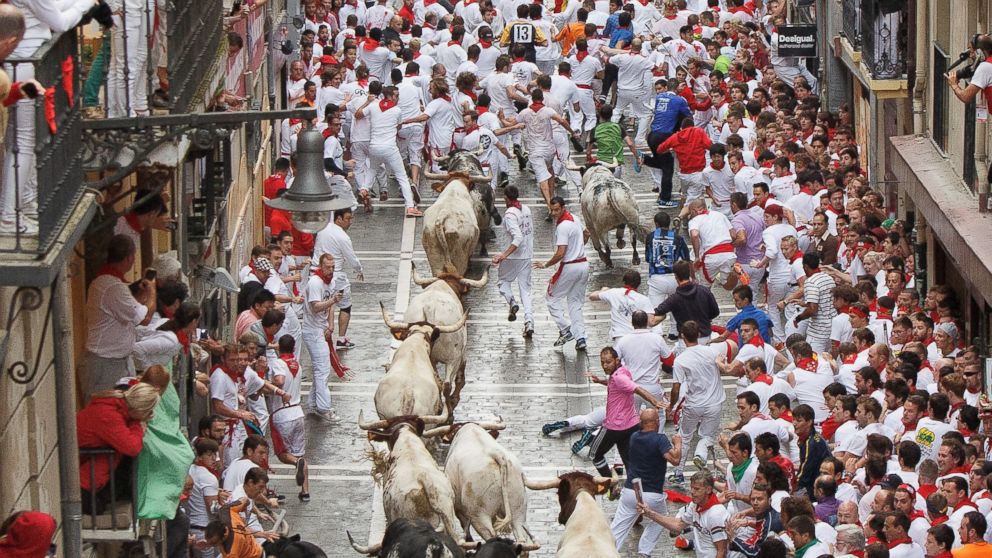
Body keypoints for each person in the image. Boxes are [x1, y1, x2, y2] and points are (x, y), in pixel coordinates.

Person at [83, 235, 156, 400]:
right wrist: (152, 291)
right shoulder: (113, 287)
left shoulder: (108, 283)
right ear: (130, 257)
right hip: (105, 363)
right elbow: (144, 318)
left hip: (116, 361)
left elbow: (130, 313)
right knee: (103, 411)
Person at [77, 382, 161, 514]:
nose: (151, 414)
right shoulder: (109, 415)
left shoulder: (114, 405)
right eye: (149, 411)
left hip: (85, 468)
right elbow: (132, 447)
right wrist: (137, 424)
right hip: (83, 478)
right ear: (141, 410)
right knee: (96, 508)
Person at [610, 408, 682, 555]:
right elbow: (675, 460)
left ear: (641, 423)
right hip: (652, 495)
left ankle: (606, 552)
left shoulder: (634, 437)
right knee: (660, 518)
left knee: (618, 528)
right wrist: (678, 443)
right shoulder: (660, 439)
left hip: (631, 491)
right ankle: (644, 550)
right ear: (656, 422)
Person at [586, 346, 665, 479]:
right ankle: (636, 491)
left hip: (613, 427)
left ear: (617, 360)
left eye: (608, 362)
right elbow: (617, 384)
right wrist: (601, 381)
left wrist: (654, 401)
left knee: (594, 455)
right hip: (630, 426)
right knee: (629, 463)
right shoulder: (622, 372)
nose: (605, 366)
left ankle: (611, 484)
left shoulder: (619, 377)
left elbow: (637, 389)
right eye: (602, 362)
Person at [670, 321, 726, 483]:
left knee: (684, 437)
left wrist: (671, 406)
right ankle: (701, 455)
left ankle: (679, 473)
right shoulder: (711, 352)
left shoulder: (681, 360)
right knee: (707, 436)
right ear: (699, 334)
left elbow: (675, 388)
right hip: (715, 402)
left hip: (694, 404)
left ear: (682, 336)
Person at [358, 85, 422, 217]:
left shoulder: (373, 106)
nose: (398, 98)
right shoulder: (397, 110)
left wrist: (367, 102)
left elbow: (357, 114)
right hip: (389, 147)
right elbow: (398, 126)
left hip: (374, 147)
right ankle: (410, 207)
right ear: (391, 96)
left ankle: (364, 189)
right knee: (402, 177)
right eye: (396, 96)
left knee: (372, 170)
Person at [535, 196, 590, 351]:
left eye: (556, 210)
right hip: (583, 264)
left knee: (551, 297)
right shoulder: (575, 218)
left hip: (570, 267)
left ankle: (566, 330)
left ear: (563, 208)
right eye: (551, 210)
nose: (553, 213)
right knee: (575, 304)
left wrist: (546, 264)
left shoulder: (562, 227)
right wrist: (578, 248)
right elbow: (587, 234)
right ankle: (580, 338)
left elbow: (560, 253)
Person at [637, 471, 730, 557]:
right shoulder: (695, 505)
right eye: (692, 488)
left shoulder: (715, 514)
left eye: (697, 489)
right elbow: (678, 525)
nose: (692, 492)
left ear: (708, 490)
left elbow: (722, 551)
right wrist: (649, 513)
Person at [302, 254, 345, 422]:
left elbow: (331, 306)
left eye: (333, 267)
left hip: (321, 329)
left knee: (321, 369)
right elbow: (315, 307)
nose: (331, 270)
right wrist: (333, 300)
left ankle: (313, 403)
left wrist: (331, 325)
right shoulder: (315, 283)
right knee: (322, 369)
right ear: (321, 266)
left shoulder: (330, 281)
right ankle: (324, 407)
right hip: (312, 331)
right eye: (328, 267)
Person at [313, 207, 364, 349]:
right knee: (345, 305)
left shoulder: (323, 228)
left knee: (320, 306)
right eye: (348, 219)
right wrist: (359, 269)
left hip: (316, 273)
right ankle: (341, 339)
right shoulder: (343, 237)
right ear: (339, 219)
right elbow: (351, 257)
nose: (350, 222)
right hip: (336, 276)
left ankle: (319, 335)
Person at [268, 335, 310, 502]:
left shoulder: (278, 363)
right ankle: (305, 491)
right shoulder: (297, 364)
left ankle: (295, 462)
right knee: (300, 453)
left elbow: (279, 380)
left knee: (282, 453)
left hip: (282, 413)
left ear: (280, 347)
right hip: (298, 412)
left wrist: (269, 384)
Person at [492, 185, 535, 338]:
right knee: (525, 290)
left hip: (513, 257)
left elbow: (518, 237)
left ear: (506, 198)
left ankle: (512, 302)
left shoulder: (510, 214)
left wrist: (503, 255)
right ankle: (529, 321)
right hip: (527, 255)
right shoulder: (527, 209)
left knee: (503, 281)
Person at [650, 260, 721, 342]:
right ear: (689, 273)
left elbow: (657, 311)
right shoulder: (704, 291)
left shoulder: (674, 299)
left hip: (685, 340)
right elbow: (715, 312)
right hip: (704, 336)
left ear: (676, 276)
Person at [589, 270, 654, 342]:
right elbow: (650, 322)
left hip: (619, 337)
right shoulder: (644, 299)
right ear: (639, 283)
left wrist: (603, 290)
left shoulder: (613, 293)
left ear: (624, 281)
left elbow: (592, 296)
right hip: (638, 337)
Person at [792, 253, 837, 353]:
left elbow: (813, 310)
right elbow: (825, 301)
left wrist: (798, 318)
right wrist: (804, 303)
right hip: (833, 327)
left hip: (818, 331)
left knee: (813, 360)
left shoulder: (811, 282)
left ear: (806, 266)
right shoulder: (829, 278)